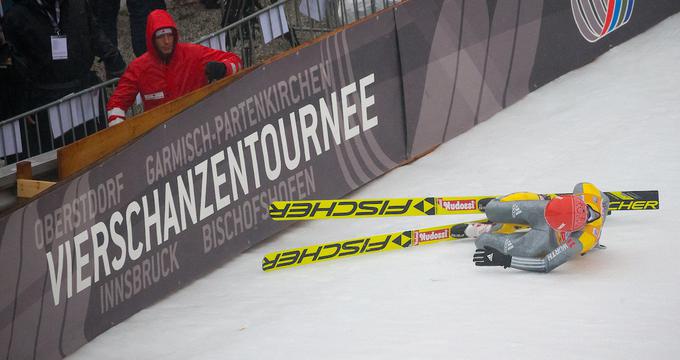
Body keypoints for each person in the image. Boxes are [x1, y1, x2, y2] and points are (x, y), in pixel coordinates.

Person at [2, 0, 126, 154]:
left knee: (96, 153)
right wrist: (21, 105)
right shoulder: (16, 16)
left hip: (83, 95)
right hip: (45, 103)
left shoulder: (78, 4)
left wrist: (115, 61)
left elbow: (94, 32)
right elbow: (16, 66)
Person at [106, 9, 242, 126]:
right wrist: (122, 134)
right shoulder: (138, 68)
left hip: (200, 126)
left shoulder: (193, 54)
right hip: (161, 139)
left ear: (175, 35)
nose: (166, 41)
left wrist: (223, 68)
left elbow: (236, 61)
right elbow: (116, 104)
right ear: (152, 39)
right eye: (161, 37)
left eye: (169, 35)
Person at [466, 182, 609, 273]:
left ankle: (497, 229)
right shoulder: (585, 191)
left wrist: (505, 260)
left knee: (482, 241)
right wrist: (543, 199)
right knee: (492, 209)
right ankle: (506, 223)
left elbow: (545, 264)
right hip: (545, 209)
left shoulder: (581, 239)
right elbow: (605, 200)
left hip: (548, 241)